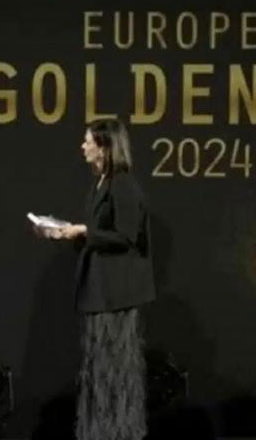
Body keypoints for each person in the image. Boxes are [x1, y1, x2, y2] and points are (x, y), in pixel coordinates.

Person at [35, 118, 156, 440]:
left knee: (114, 369)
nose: (83, 146)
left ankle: (117, 431)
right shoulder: (100, 184)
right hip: (100, 291)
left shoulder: (122, 184)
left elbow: (126, 237)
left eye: (88, 141)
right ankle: (99, 430)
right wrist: (66, 233)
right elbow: (100, 237)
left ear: (104, 147)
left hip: (116, 295)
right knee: (99, 367)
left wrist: (84, 231)